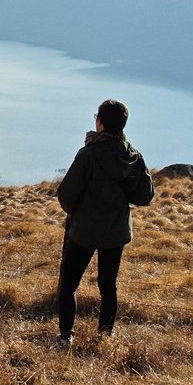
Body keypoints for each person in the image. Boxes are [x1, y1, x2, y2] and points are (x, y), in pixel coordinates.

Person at [55, 99, 150, 346]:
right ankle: (106, 335)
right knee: (108, 284)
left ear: (100, 121)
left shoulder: (88, 154)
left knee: (70, 284)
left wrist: (77, 211)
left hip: (84, 230)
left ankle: (66, 337)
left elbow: (66, 194)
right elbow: (145, 195)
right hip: (116, 231)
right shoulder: (132, 156)